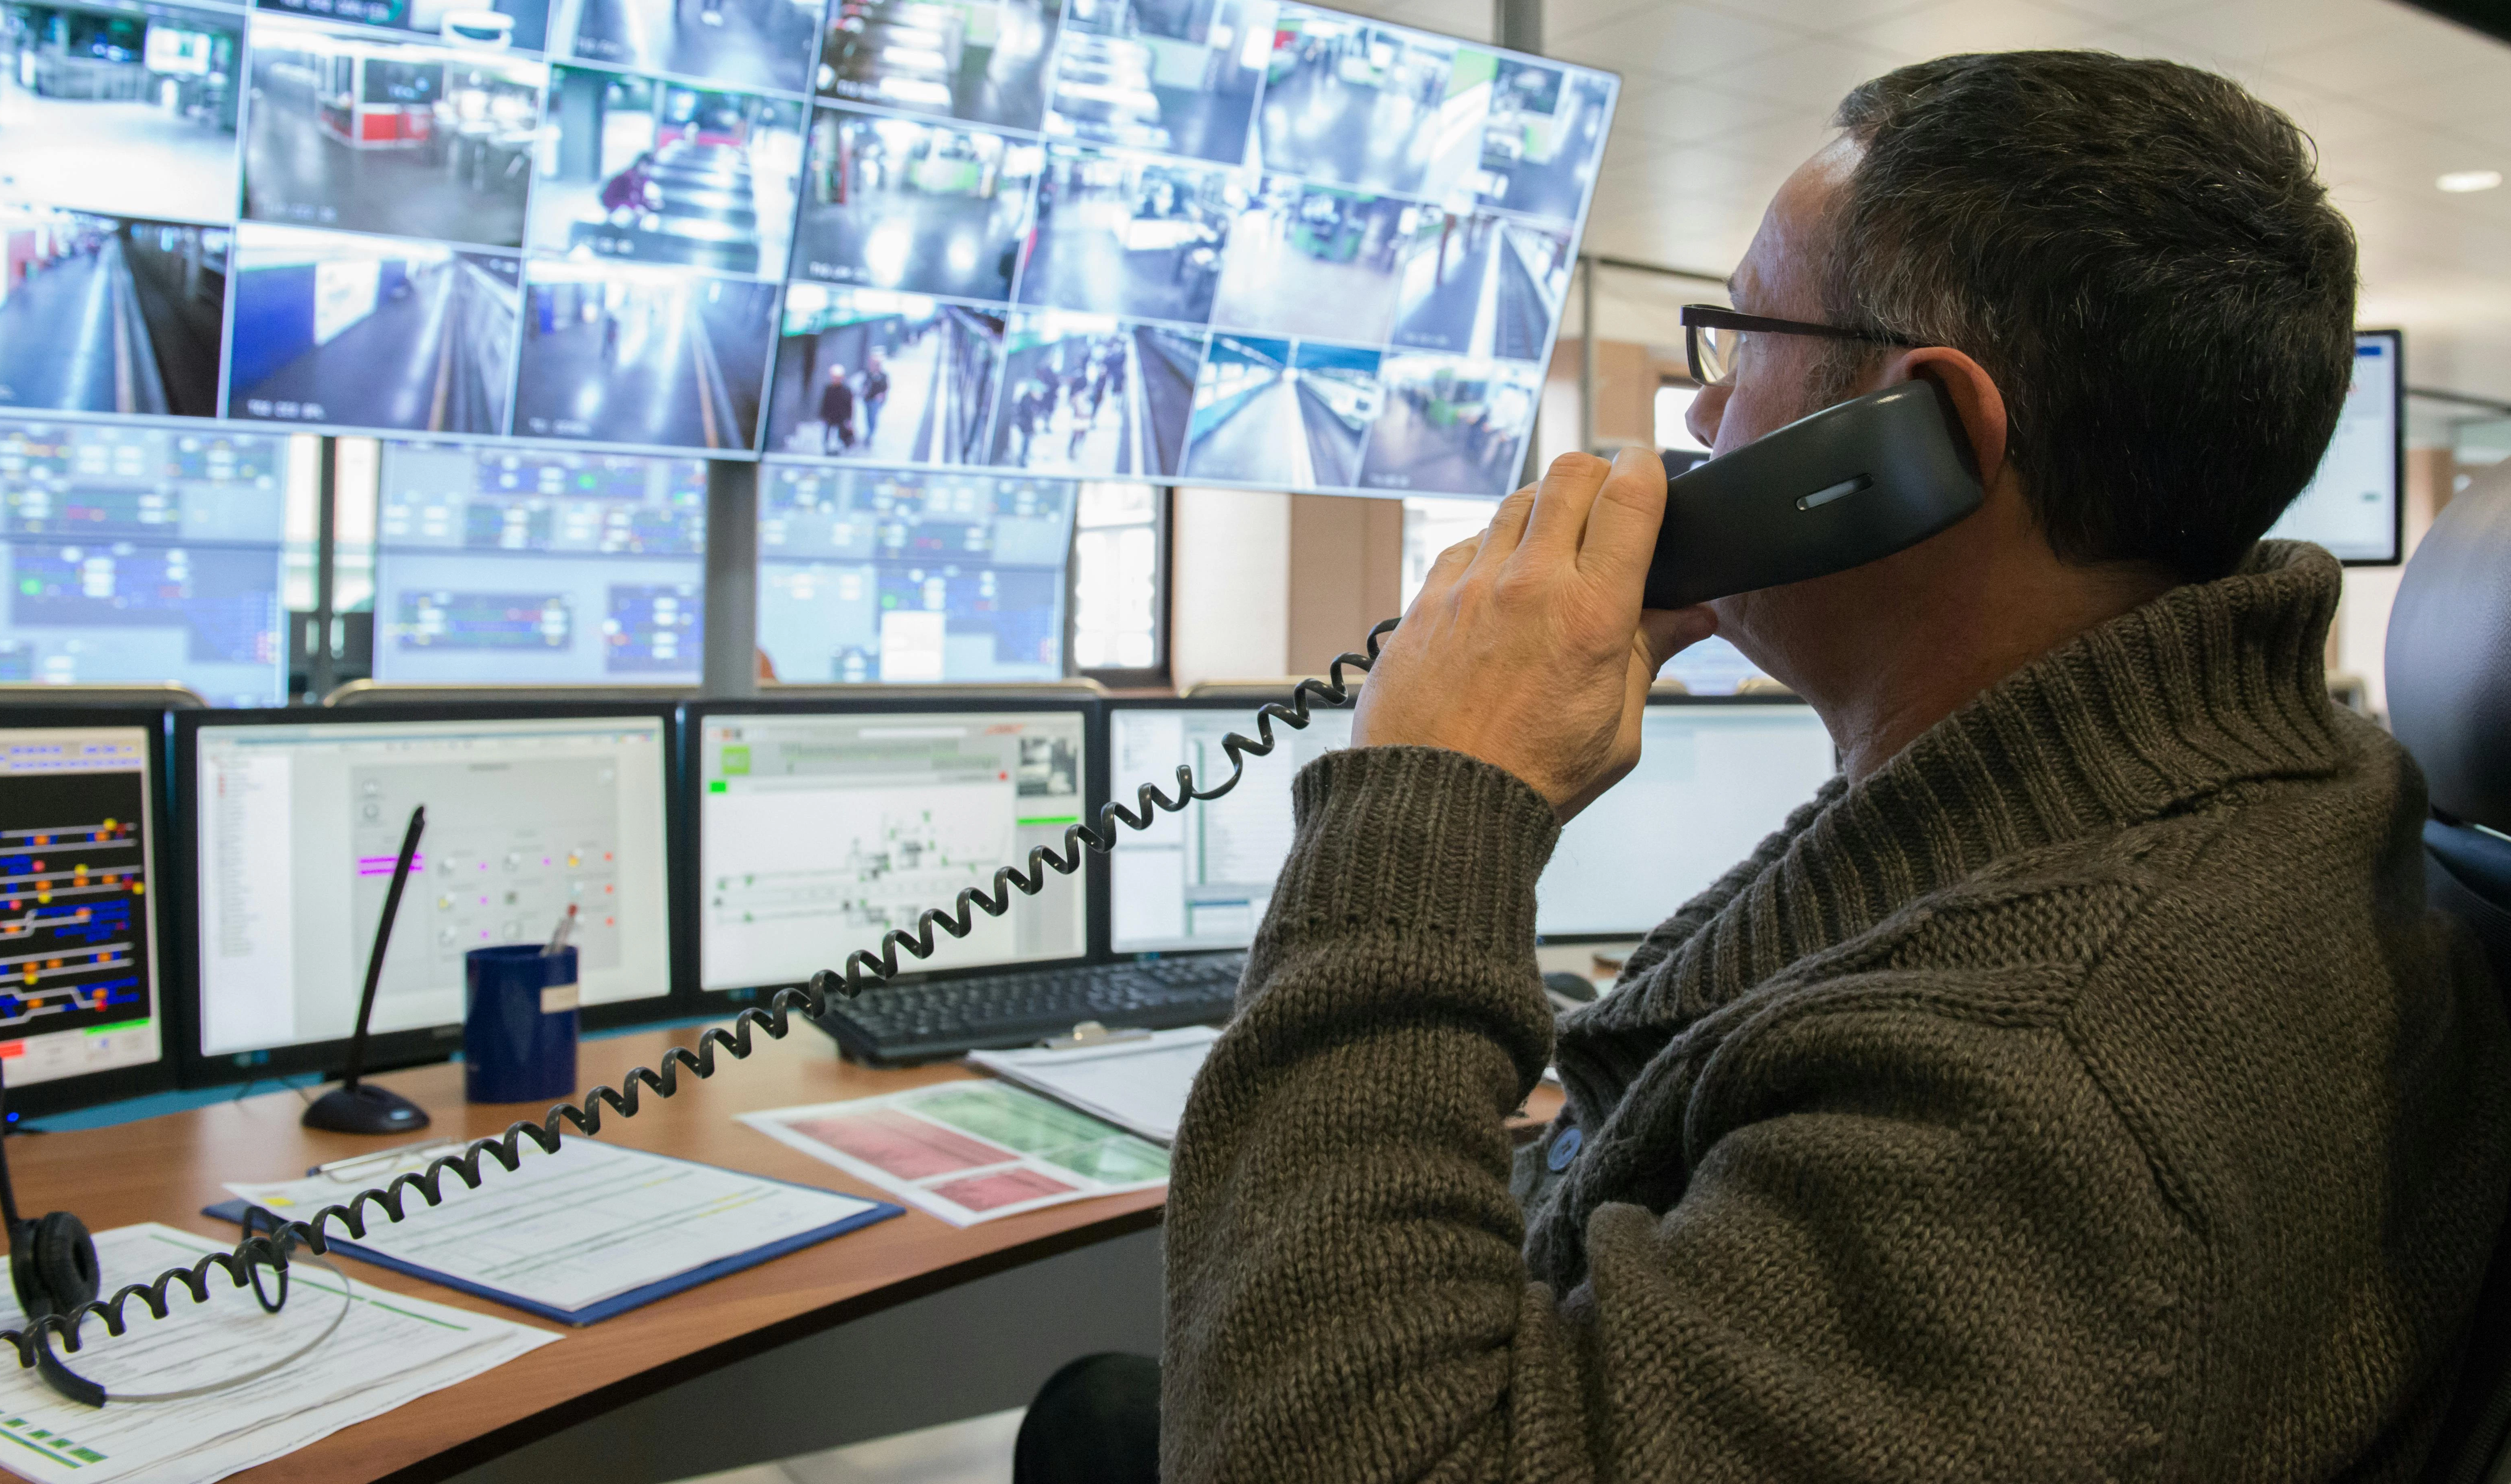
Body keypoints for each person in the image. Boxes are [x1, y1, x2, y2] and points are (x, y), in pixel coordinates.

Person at [1018, 50, 2511, 1483]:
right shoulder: (2225, 795)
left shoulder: (2054, 1076)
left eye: (1734, 346)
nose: (1696, 419)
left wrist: (1428, 798)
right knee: (1100, 1413)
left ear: (1921, 435)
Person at [817, 366, 855, 453]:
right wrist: (823, 416)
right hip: (830, 416)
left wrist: (849, 419)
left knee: (840, 433)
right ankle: (827, 447)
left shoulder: (846, 390)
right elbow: (824, 403)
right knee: (827, 433)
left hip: (841, 417)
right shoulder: (828, 389)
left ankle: (838, 448)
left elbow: (850, 406)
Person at [859, 350, 890, 445]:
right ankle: (869, 432)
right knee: (868, 417)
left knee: (873, 418)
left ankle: (870, 435)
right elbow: (864, 385)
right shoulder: (868, 374)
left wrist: (882, 396)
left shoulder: (883, 376)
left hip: (876, 401)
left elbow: (886, 388)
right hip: (868, 399)